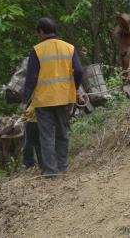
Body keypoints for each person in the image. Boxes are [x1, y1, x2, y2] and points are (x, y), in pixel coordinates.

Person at [22, 18, 84, 177]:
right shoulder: (69, 48)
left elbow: (31, 78)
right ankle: (62, 167)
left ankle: (51, 172)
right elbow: (79, 71)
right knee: (62, 133)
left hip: (44, 101)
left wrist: (25, 100)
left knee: (46, 136)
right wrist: (75, 89)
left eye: (38, 33)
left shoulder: (37, 50)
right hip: (64, 98)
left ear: (41, 32)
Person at [22, 104, 43, 170]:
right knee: (39, 145)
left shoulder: (35, 101)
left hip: (32, 124)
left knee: (29, 143)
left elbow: (27, 113)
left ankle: (29, 163)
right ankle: (42, 164)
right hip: (43, 124)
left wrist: (22, 116)